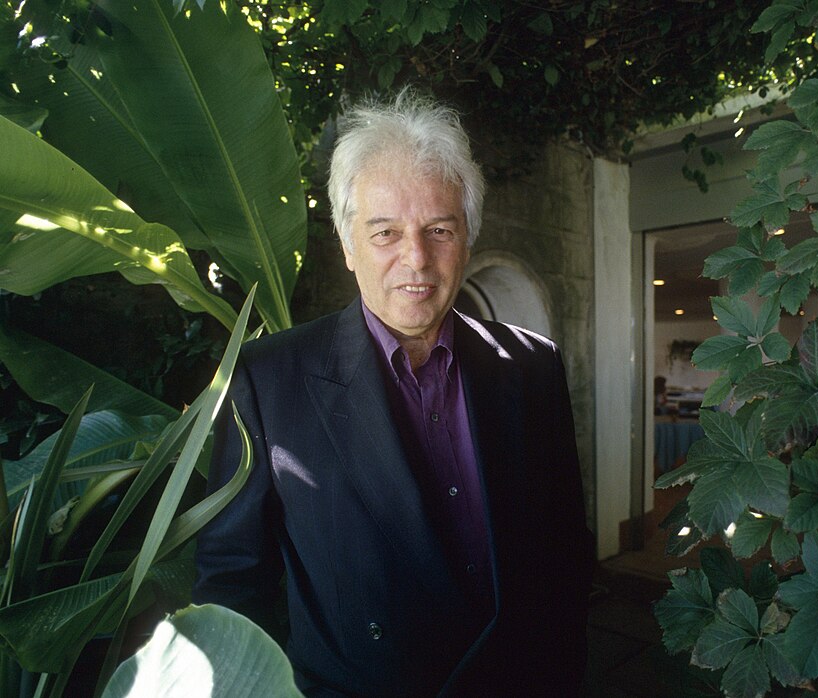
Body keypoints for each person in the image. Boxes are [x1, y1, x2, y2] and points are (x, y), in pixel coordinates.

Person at [193, 90, 592, 697]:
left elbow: (563, 553)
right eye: (384, 232)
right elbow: (232, 586)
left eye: (439, 229)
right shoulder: (266, 381)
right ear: (347, 245)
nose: (417, 259)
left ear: (468, 237)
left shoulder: (533, 366)